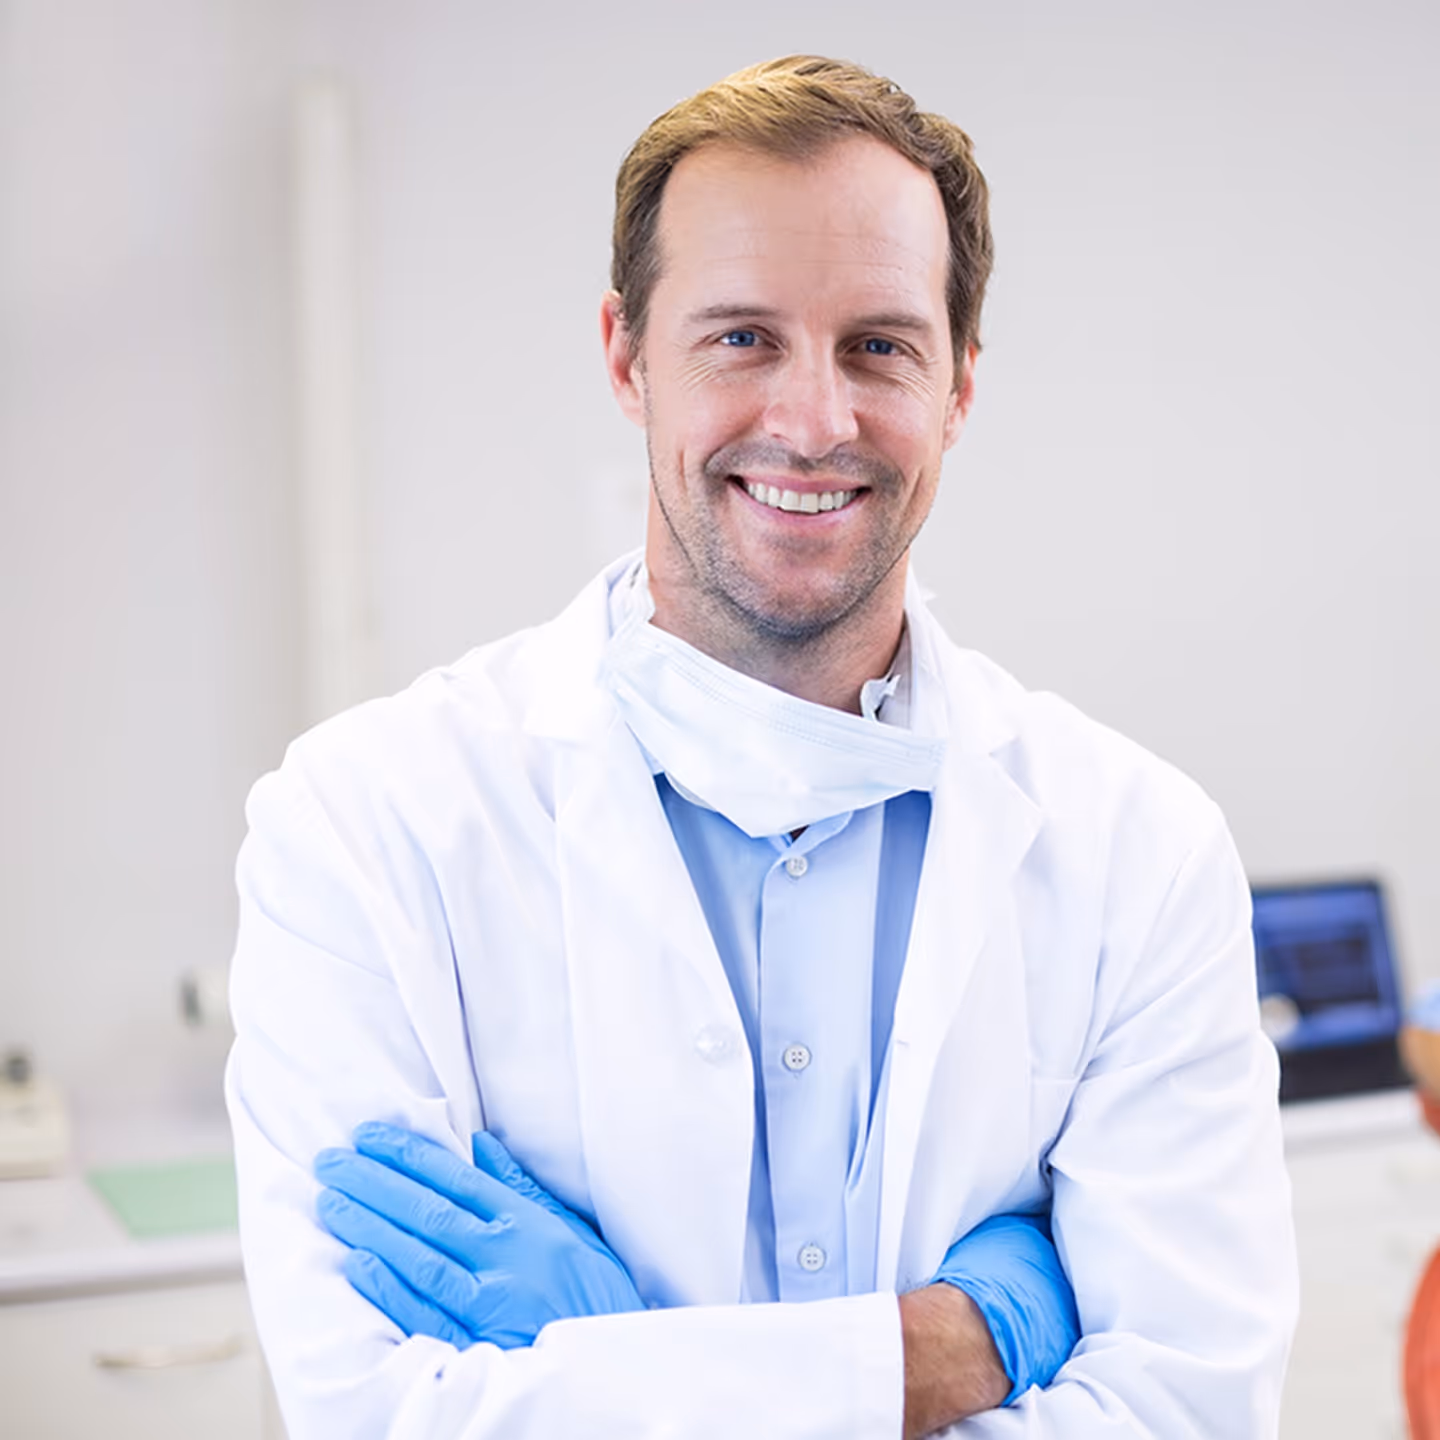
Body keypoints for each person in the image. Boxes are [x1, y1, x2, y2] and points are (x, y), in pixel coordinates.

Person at [226, 55, 1298, 1439]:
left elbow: (1189, 1409)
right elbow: (377, 1415)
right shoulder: (366, 826)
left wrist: (614, 1364)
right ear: (627, 355)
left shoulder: (1139, 850)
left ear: (961, 383)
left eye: (880, 346)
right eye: (741, 337)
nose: (813, 421)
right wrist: (950, 1350)